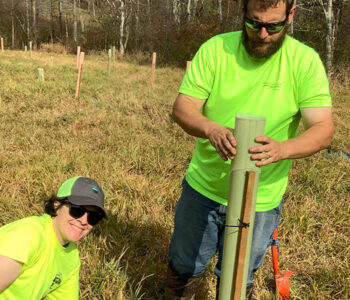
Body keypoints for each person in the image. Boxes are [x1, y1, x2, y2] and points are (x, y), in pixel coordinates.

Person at [166, 0, 334, 299]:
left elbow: (322, 129)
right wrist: (211, 129)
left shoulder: (304, 62)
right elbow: (182, 108)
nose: (263, 33)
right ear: (242, 12)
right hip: (203, 188)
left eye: (274, 25)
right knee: (184, 267)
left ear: (291, 15)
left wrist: (282, 149)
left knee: (237, 278)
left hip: (260, 199)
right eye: (254, 23)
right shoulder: (216, 50)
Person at [0, 176, 107, 299]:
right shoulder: (28, 235)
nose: (84, 221)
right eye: (77, 210)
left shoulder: (71, 256)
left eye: (94, 217)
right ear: (57, 206)